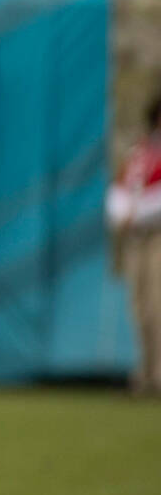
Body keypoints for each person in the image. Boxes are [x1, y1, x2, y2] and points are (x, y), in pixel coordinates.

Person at [107, 93, 161, 396]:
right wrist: (121, 215)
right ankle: (146, 374)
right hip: (137, 238)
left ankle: (158, 374)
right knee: (140, 308)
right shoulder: (140, 151)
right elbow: (120, 188)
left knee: (158, 306)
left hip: (157, 236)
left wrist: (138, 214)